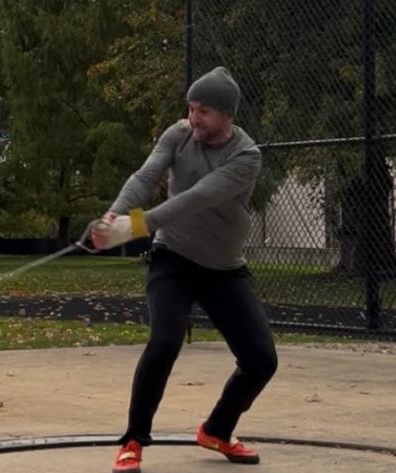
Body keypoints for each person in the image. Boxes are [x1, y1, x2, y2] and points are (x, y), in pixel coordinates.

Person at [91, 66, 278, 473]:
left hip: (223, 268)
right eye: (191, 108)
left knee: (261, 360)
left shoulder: (246, 157)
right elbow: (146, 177)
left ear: (228, 115)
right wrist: (113, 216)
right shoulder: (177, 134)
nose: (194, 118)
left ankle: (217, 430)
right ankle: (132, 442)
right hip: (172, 258)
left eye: (204, 111)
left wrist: (132, 227)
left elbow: (194, 199)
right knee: (164, 341)